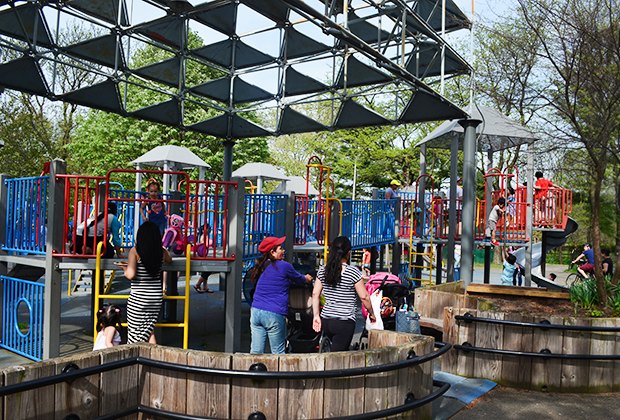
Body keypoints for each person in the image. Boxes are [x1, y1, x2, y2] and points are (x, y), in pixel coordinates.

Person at [312, 236, 377, 352]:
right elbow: (364, 296)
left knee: (330, 354)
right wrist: (371, 313)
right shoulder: (353, 272)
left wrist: (316, 316)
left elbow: (315, 293)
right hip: (344, 321)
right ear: (348, 253)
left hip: (326, 319)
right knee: (338, 359)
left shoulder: (323, 270)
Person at [250, 236, 312, 354]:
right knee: (278, 353)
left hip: (256, 311)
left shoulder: (263, 266)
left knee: (256, 352)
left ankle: (254, 370)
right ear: (272, 252)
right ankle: (279, 372)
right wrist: (307, 278)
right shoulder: (284, 266)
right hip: (274, 313)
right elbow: (299, 279)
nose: (283, 250)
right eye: (280, 248)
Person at [119, 221, 172, 344]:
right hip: (155, 298)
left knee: (135, 335)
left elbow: (131, 274)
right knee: (149, 331)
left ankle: (136, 360)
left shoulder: (135, 251)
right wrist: (163, 249)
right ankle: (154, 360)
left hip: (139, 298)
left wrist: (124, 268)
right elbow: (169, 260)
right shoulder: (161, 251)